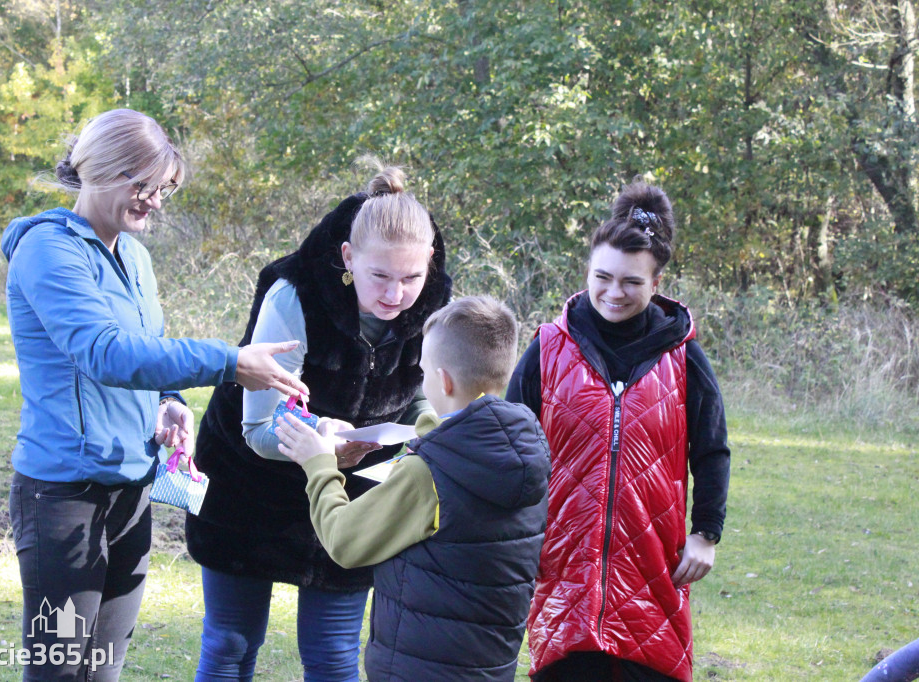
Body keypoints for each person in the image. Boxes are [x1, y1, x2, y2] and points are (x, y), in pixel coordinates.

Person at [0, 108, 308, 682]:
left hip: (131, 489)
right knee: (61, 671)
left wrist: (170, 400)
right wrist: (228, 362)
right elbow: (105, 351)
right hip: (63, 496)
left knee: (104, 669)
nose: (155, 201)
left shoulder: (135, 256)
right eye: (143, 185)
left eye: (163, 189)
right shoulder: (48, 250)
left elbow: (148, 346)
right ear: (98, 168)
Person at [185, 160, 453, 681]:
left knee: (332, 655)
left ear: (430, 263)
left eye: (411, 278)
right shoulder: (294, 295)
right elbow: (259, 427)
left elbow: (425, 398)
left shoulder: (436, 307)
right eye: (379, 276)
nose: (396, 295)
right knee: (230, 646)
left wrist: (422, 434)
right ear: (348, 257)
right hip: (248, 488)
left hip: (348, 497)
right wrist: (320, 441)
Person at [506, 181, 731, 682]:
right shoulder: (547, 349)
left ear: (657, 283)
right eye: (601, 277)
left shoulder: (684, 357)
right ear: (586, 272)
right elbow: (509, 442)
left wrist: (706, 533)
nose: (613, 292)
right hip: (562, 566)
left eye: (631, 282)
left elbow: (712, 451)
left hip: (654, 565)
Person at [274, 295, 551, 682]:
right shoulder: (524, 451)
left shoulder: (430, 474)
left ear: (443, 380)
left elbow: (343, 539)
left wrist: (318, 462)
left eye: (422, 372)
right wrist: (426, 431)